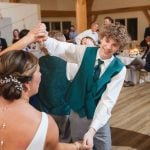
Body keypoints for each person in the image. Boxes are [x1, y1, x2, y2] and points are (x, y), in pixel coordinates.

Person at [1, 23, 130, 150]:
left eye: (114, 45)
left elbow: (107, 101)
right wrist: (45, 39)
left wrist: (92, 130)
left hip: (99, 116)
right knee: (79, 143)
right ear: (102, 38)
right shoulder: (85, 52)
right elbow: (63, 47)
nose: (108, 47)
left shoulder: (119, 69)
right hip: (76, 112)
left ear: (119, 47)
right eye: (107, 41)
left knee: (104, 146)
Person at [0, 50, 90, 150]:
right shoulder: (44, 124)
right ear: (27, 84)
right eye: (39, 71)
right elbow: (54, 148)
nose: (41, 74)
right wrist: (77, 146)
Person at [36, 32, 72, 143]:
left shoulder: (38, 62)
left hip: (43, 109)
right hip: (64, 109)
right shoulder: (69, 63)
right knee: (64, 140)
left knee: (47, 140)